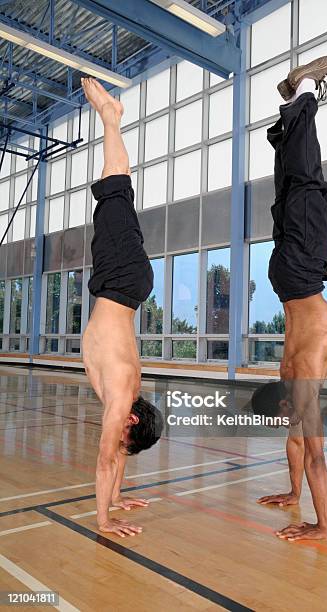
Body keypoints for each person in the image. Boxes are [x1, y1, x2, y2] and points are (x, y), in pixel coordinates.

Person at [254, 56, 327, 541]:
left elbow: (294, 446)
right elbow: (315, 456)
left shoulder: (292, 381)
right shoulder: (301, 382)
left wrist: (292, 494)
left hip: (290, 276)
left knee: (291, 195)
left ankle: (293, 110)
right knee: (305, 189)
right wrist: (318, 524)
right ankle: (302, 95)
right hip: (303, 279)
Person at [81, 77, 163, 538]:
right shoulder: (120, 401)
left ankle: (110, 120)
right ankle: (111, 118)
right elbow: (106, 456)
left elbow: (118, 454)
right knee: (116, 194)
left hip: (126, 286)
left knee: (118, 199)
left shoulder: (126, 393)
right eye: (127, 435)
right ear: (131, 420)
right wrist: (104, 520)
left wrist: (118, 496)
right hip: (118, 282)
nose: (119, 440)